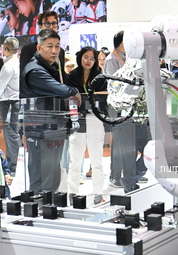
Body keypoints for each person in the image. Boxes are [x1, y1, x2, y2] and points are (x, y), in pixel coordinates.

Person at [20, 29, 80, 194]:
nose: (54, 51)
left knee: (52, 178)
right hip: (40, 132)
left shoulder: (50, 67)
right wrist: (74, 91)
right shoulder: (35, 70)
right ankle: (39, 214)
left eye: (57, 46)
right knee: (42, 181)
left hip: (51, 131)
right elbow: (60, 89)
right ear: (39, 48)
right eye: (49, 46)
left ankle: (48, 211)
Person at [104, 31, 148, 193]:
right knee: (120, 144)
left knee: (129, 143)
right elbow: (114, 82)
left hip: (130, 106)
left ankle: (132, 174)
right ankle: (118, 176)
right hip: (118, 107)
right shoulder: (111, 59)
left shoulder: (125, 58)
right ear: (122, 42)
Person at [67, 46, 106, 204]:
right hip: (77, 119)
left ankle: (98, 194)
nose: (89, 61)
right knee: (75, 160)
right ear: (80, 57)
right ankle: (73, 193)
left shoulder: (100, 76)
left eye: (92, 58)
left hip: (95, 119)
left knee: (97, 160)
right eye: (86, 57)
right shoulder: (71, 76)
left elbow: (104, 100)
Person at [0, 37, 21, 174]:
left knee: (11, 133)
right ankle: (11, 163)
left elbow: (0, 85)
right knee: (12, 133)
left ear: (7, 49)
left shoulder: (9, 65)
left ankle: (11, 165)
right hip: (14, 101)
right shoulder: (17, 62)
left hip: (8, 102)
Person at [19, 10, 67, 88]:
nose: (51, 27)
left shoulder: (61, 51)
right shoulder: (29, 49)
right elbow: (24, 78)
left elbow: (61, 75)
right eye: (47, 23)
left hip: (57, 96)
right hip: (37, 96)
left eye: (54, 23)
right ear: (40, 26)